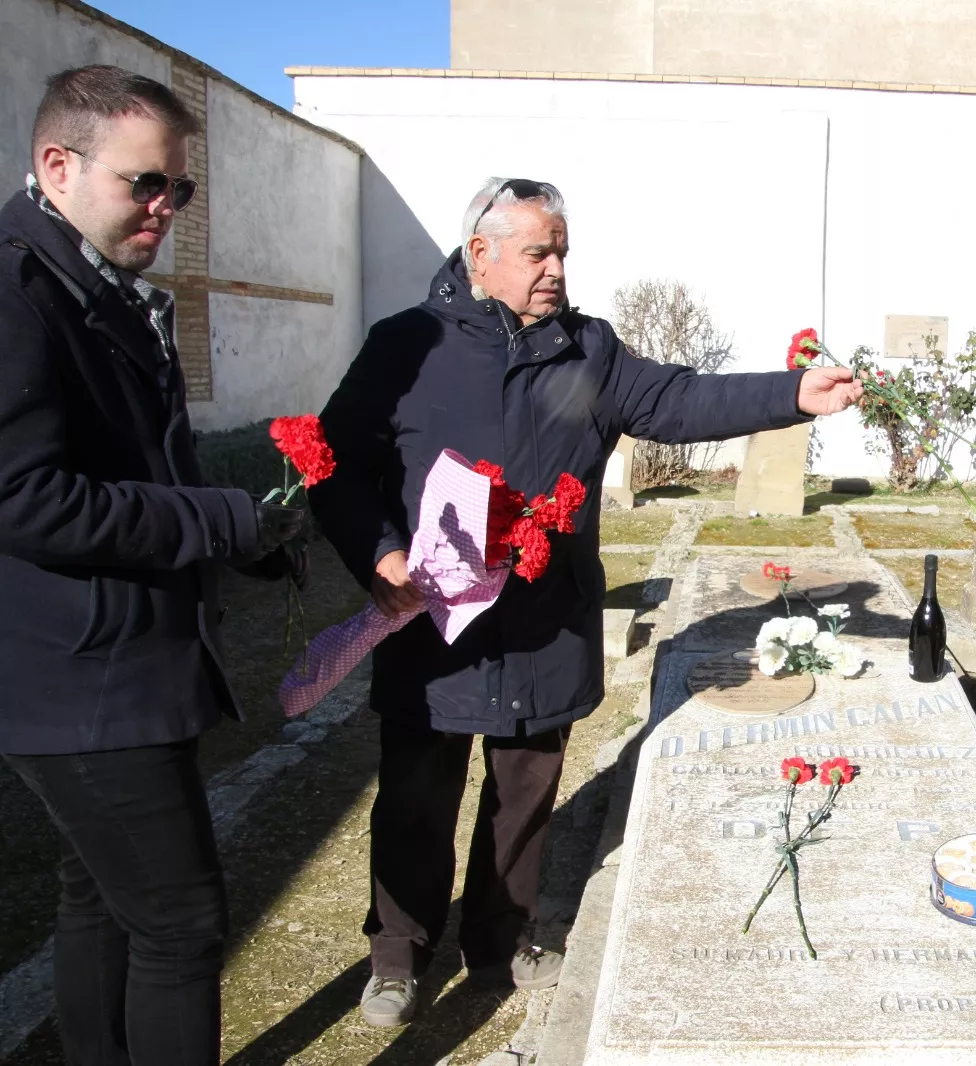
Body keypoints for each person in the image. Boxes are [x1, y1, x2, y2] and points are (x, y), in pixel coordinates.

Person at [311, 177, 863, 1027]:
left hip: (543, 613)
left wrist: (789, 395)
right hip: (435, 620)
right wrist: (381, 553)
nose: (556, 269)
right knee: (419, 796)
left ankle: (501, 940)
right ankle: (398, 955)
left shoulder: (588, 349)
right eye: (538, 252)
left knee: (527, 791)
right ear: (480, 254)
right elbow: (336, 460)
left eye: (562, 251)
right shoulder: (406, 345)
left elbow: (677, 399)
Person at [0, 66, 303, 1066]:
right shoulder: (16, 291)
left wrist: (246, 539)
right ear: (58, 164)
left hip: (123, 660)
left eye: (180, 188)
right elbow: (24, 498)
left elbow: (143, 464)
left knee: (102, 895)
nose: (167, 206)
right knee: (178, 922)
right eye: (145, 183)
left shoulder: (94, 284)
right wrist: (216, 521)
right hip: (75, 678)